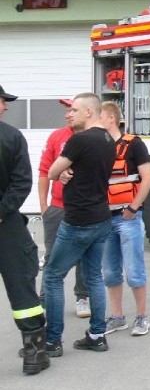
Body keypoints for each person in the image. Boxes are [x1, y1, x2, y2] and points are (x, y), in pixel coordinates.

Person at [43, 93, 116, 355]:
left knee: (52, 277)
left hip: (78, 221)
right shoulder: (108, 139)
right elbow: (84, 169)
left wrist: (61, 170)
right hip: (101, 217)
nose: (68, 114)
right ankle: (97, 335)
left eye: (74, 110)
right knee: (94, 277)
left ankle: (52, 341)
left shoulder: (80, 140)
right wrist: (66, 170)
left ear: (89, 112)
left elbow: (51, 172)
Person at [0, 84, 50, 375]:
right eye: (3, 101)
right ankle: (34, 353)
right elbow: (21, 184)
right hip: (6, 226)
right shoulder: (11, 137)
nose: (6, 107)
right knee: (22, 289)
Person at [100, 101, 150, 337]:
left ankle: (141, 317)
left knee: (134, 271)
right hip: (104, 218)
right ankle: (117, 317)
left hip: (127, 217)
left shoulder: (134, 145)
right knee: (110, 272)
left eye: (99, 116)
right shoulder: (97, 146)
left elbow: (148, 178)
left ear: (111, 118)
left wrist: (133, 208)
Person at [38, 98, 91, 317]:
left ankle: (82, 297)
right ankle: (43, 299)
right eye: (67, 111)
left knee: (83, 255)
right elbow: (44, 171)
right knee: (52, 256)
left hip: (84, 209)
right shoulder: (56, 137)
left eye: (72, 110)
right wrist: (44, 206)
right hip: (57, 208)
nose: (68, 114)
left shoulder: (93, 139)